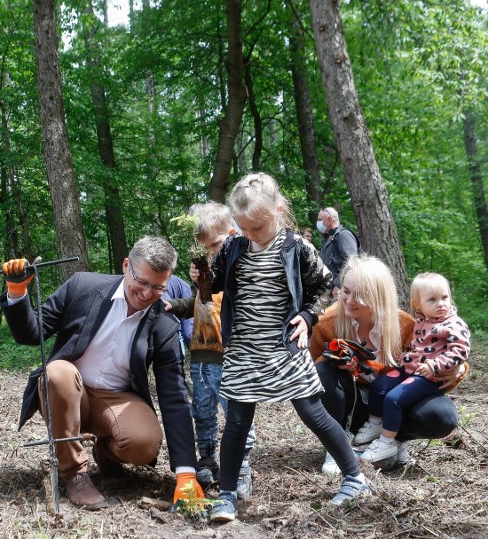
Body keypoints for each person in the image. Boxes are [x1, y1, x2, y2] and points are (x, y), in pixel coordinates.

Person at [208, 173, 369, 524]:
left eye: (258, 227)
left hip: (284, 346)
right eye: (245, 228)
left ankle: (355, 478)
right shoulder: (234, 247)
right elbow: (215, 283)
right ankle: (227, 494)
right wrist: (203, 271)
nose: (251, 235)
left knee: (313, 413)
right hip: (244, 348)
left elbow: (325, 285)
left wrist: (307, 317)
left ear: (279, 210)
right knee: (235, 423)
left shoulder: (296, 247)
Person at [0, 236, 205, 512]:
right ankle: (74, 473)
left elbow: (174, 397)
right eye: (142, 282)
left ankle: (106, 453)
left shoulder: (164, 325)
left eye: (158, 288)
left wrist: (186, 473)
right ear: (125, 266)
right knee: (57, 374)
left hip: (117, 399)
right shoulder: (83, 287)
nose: (146, 294)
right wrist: (16, 292)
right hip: (70, 388)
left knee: (144, 443)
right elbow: (32, 333)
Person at [310, 256, 466, 473]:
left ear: (379, 297)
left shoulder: (405, 325)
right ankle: (338, 445)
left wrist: (459, 369)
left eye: (360, 295)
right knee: (323, 370)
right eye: (346, 291)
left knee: (442, 415)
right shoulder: (326, 323)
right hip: (351, 409)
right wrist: (339, 363)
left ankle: (392, 442)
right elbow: (309, 372)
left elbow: (442, 350)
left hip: (390, 408)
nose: (349, 300)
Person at [163, 203, 255, 496]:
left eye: (215, 244)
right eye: (205, 247)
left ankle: (240, 468)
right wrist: (175, 305)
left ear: (231, 234)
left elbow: (230, 298)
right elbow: (201, 304)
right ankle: (206, 460)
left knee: (236, 415)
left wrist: (209, 278)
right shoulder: (206, 270)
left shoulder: (244, 265)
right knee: (202, 412)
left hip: (230, 357)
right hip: (201, 355)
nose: (211, 251)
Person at [355, 273, 470, 463]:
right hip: (410, 369)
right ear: (417, 304)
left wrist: (435, 365)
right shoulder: (421, 320)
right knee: (380, 386)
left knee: (393, 399)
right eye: (432, 299)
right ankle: (375, 423)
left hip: (430, 376)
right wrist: (407, 356)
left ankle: (387, 441)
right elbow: (419, 346)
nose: (441, 304)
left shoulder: (453, 324)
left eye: (444, 297)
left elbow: (460, 351)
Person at [317, 207, 359, 296]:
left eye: (320, 220)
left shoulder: (344, 235)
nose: (318, 223)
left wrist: (339, 285)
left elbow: (352, 261)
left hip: (344, 291)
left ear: (329, 219)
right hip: (330, 290)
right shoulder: (327, 239)